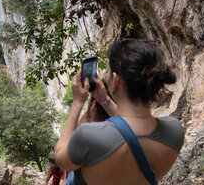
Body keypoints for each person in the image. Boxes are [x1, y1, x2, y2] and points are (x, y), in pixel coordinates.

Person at [55, 38, 184, 185]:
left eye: (109, 72)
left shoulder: (89, 136)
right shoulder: (174, 132)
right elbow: (129, 128)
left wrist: (77, 103)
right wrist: (104, 100)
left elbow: (60, 158)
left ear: (115, 80)